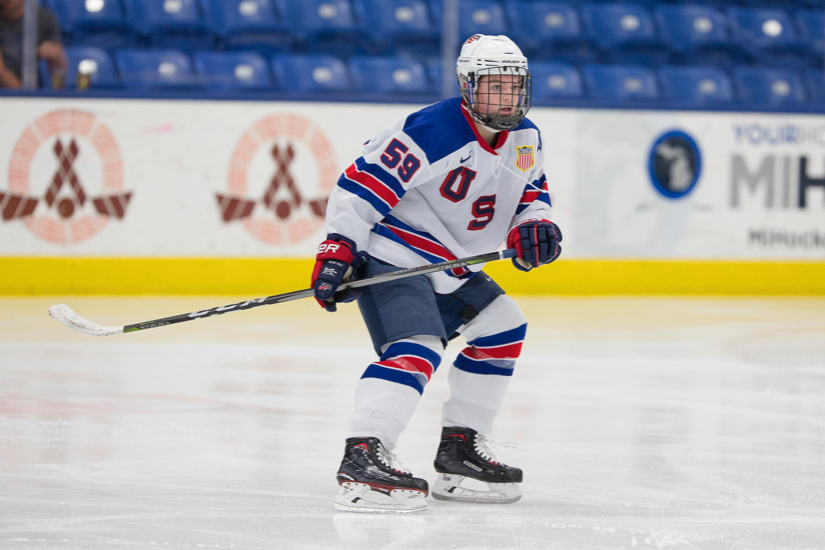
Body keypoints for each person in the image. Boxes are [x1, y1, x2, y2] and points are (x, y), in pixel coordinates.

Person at [311, 34, 562, 513]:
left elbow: (532, 195)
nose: (505, 98)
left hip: (451, 264)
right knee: (418, 347)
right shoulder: (432, 129)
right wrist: (339, 248)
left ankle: (460, 449)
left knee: (503, 327)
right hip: (397, 254)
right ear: (468, 86)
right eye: (493, 87)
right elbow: (360, 186)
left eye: (513, 87)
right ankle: (363, 453)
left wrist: (535, 227)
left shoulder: (527, 139)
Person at [0, 0, 66, 89]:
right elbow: (1, 72)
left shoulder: (44, 18)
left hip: (33, 91)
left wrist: (56, 57)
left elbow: (59, 72)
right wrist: (25, 96)